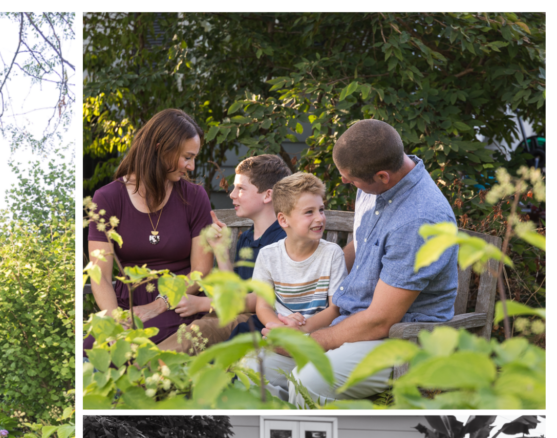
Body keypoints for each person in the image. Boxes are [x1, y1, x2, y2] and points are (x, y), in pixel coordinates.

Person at [287, 119, 459, 403]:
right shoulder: (377, 187)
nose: (344, 182)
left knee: (307, 382)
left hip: (404, 338)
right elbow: (365, 243)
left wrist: (312, 341)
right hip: (354, 321)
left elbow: (380, 321)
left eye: (351, 180)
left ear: (382, 176)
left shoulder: (419, 221)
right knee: (259, 367)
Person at [84, 108, 221, 354]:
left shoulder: (194, 197)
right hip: (130, 304)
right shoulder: (107, 198)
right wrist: (115, 320)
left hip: (178, 303)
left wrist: (159, 305)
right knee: (92, 354)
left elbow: (201, 269)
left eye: (194, 158)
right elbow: (100, 275)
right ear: (161, 149)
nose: (191, 166)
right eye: (187, 157)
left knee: (138, 354)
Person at [240, 172, 348, 400]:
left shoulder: (332, 255)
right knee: (249, 369)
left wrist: (302, 329)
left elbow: (335, 309)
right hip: (282, 342)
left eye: (321, 210)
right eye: (309, 212)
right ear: (283, 220)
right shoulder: (269, 256)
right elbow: (263, 305)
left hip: (320, 343)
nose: (319, 218)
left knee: (310, 382)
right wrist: (278, 327)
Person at [181, 154, 293, 339]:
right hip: (238, 314)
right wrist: (221, 250)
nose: (232, 194)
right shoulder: (247, 237)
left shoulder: (283, 240)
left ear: (267, 195)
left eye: (241, 188)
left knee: (197, 332)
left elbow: (260, 299)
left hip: (260, 322)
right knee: (192, 327)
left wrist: (204, 303)